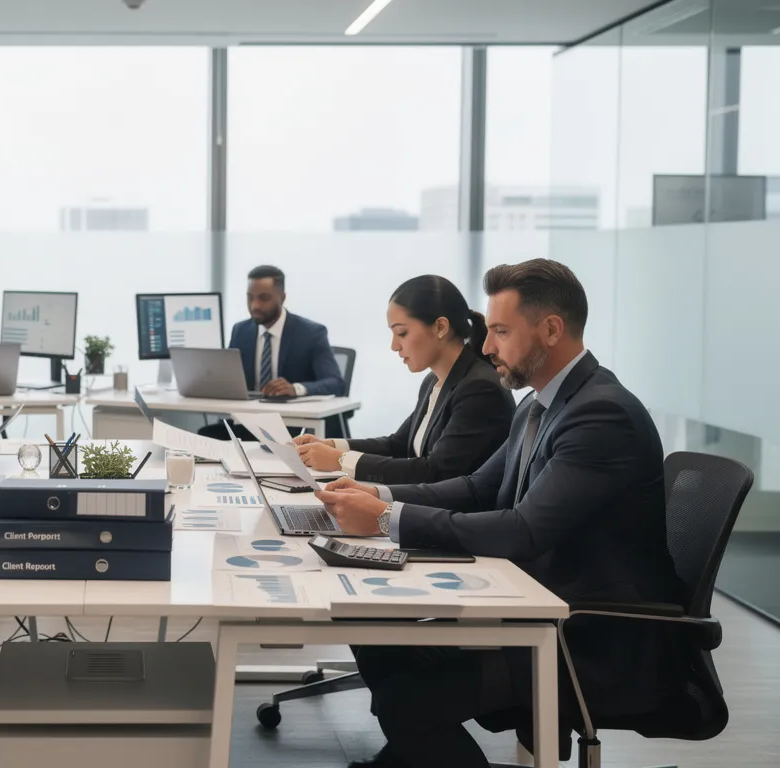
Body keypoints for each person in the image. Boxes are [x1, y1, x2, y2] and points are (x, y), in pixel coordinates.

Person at [314, 259, 684, 768]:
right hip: (535, 605)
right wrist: (372, 495)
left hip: (590, 635)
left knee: (408, 697)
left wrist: (382, 519)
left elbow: (525, 529)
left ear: (551, 329)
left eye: (501, 331)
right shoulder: (539, 406)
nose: (486, 347)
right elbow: (473, 488)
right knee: (378, 637)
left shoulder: (602, 414)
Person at [292, 275, 513, 484]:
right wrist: (330, 445)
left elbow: (436, 471)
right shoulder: (434, 381)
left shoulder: (480, 389)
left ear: (440, 327)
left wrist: (340, 461)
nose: (394, 346)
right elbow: (398, 444)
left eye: (402, 333)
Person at [199, 264, 346, 440]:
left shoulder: (311, 333)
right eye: (250, 298)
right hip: (250, 422)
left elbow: (336, 383)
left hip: (294, 425)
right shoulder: (241, 330)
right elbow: (232, 378)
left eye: (264, 298)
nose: (255, 305)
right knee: (205, 436)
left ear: (282, 298)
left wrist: (295, 389)